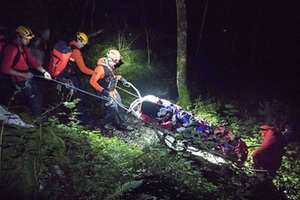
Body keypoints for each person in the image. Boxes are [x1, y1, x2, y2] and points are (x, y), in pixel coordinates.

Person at [1, 25, 51, 116]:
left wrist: (44, 72)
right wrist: (23, 75)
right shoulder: (12, 49)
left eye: (29, 39)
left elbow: (33, 60)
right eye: (25, 39)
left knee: (38, 97)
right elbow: (5, 68)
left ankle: (38, 119)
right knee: (33, 101)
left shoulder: (24, 47)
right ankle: (36, 122)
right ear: (18, 37)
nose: (28, 41)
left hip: (27, 76)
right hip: (20, 80)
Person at [90, 49, 134, 131]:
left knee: (120, 107)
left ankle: (123, 125)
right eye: (115, 61)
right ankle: (102, 124)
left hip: (113, 91)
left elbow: (114, 75)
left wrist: (122, 79)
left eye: (117, 61)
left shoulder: (110, 66)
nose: (116, 63)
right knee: (114, 111)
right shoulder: (100, 69)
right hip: (105, 93)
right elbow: (92, 81)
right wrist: (102, 91)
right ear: (109, 59)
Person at [57, 31, 94, 125]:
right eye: (83, 43)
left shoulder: (69, 46)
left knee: (81, 89)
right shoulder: (76, 51)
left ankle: (69, 115)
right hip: (70, 76)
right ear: (79, 40)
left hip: (66, 75)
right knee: (78, 96)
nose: (83, 45)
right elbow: (83, 69)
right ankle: (81, 120)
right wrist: (95, 73)